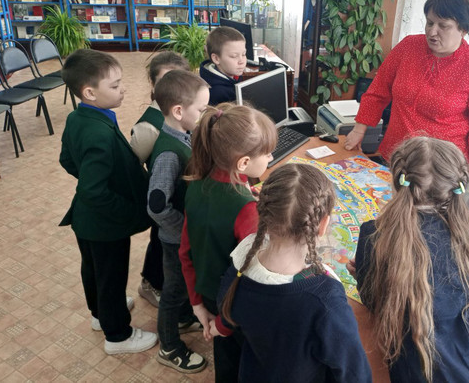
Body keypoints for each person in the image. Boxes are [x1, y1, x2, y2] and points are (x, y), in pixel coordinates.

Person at [354, 137, 469, 382]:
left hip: (428, 371)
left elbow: (374, 301)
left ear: (397, 181)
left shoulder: (375, 236)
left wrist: (366, 274)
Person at [216, 163, 372, 383]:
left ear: (263, 214)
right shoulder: (326, 300)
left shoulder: (242, 260)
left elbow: (225, 307)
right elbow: (355, 373)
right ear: (323, 225)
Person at [59, 49, 157, 354]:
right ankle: (118, 336)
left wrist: (94, 179)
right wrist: (128, 212)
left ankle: (100, 314)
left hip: (85, 220)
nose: (123, 89)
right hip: (105, 225)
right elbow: (93, 191)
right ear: (89, 92)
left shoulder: (78, 117)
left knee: (94, 271)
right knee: (111, 277)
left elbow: (66, 159)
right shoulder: (98, 133)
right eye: (114, 85)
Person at [345, 0, 469, 163]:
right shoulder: (408, 46)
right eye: (430, 23)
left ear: (463, 30)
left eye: (443, 26)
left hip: (440, 167)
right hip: (395, 155)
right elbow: (378, 91)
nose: (432, 32)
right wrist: (359, 130)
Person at [179, 103, 277, 383]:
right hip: (235, 308)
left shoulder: (197, 185)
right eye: (267, 153)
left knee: (225, 359)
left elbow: (185, 252)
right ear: (243, 163)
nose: (271, 157)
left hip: (209, 295)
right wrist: (223, 323)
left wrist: (197, 304)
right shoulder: (246, 211)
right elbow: (251, 281)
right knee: (246, 363)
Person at [146, 70, 209, 373]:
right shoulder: (168, 154)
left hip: (183, 236)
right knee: (173, 292)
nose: (204, 115)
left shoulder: (183, 135)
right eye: (202, 109)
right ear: (179, 111)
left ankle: (185, 318)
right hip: (176, 240)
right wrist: (184, 232)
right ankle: (169, 346)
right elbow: (157, 207)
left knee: (184, 286)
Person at [130, 51, 191, 308]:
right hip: (163, 199)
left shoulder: (184, 112)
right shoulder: (148, 127)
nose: (174, 87)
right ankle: (151, 284)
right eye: (166, 80)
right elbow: (133, 167)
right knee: (159, 244)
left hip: (179, 195)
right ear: (153, 85)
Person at [199, 26, 247, 105]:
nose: (241, 61)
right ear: (216, 59)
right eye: (234, 56)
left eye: (244, 54)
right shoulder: (217, 93)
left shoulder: (232, 74)